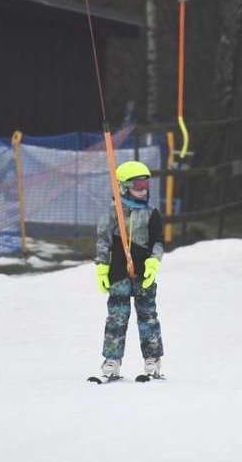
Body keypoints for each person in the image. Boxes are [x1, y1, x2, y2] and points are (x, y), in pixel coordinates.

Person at [94, 160, 165, 379]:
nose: (143, 190)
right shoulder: (112, 213)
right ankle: (112, 360)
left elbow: (158, 242)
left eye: (146, 185)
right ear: (123, 187)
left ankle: (152, 361)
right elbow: (103, 242)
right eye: (138, 186)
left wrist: (153, 263)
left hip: (143, 273)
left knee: (148, 316)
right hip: (118, 274)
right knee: (117, 316)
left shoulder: (152, 213)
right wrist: (102, 268)